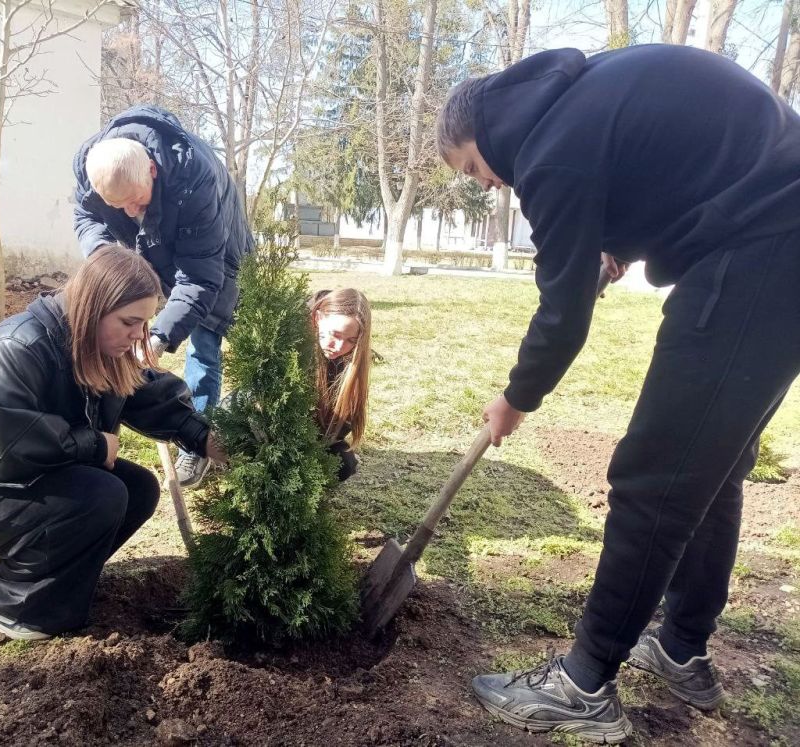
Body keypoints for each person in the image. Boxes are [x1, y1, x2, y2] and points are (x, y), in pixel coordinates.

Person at [437, 44, 800, 742]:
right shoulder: (574, 96)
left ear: (483, 130)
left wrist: (515, 398)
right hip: (779, 238)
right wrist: (624, 242)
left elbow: (562, 312)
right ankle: (681, 645)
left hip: (763, 248)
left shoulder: (547, 148)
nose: (487, 185)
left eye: (475, 169)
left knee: (653, 474)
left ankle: (582, 684)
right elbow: (673, 165)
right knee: (710, 462)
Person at [0, 246, 226, 640]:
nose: (139, 335)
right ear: (94, 307)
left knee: (138, 489)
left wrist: (203, 436)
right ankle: (2, 602)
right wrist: (95, 445)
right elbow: (10, 449)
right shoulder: (16, 349)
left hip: (25, 469)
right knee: (102, 494)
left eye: (144, 323)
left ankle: (56, 583)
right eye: (130, 321)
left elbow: (146, 394)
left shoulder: (103, 346)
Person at [72, 105, 254, 489]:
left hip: (215, 257)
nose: (129, 211)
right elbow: (86, 218)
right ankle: (191, 429)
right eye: (117, 206)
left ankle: (202, 436)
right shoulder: (93, 166)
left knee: (204, 340)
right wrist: (110, 261)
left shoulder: (195, 179)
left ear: (153, 170)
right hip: (152, 253)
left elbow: (200, 277)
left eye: (136, 201)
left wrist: (160, 335)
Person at [310, 289, 372, 482]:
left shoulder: (349, 360)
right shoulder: (291, 345)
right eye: (335, 334)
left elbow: (344, 425)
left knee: (343, 464)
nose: (338, 347)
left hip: (313, 441)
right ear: (319, 318)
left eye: (350, 340)